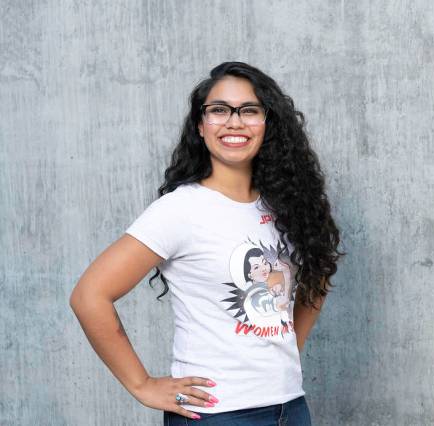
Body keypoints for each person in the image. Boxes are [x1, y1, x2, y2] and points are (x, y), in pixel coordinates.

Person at [69, 61, 344, 425]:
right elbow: (89, 296)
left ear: (268, 124)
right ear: (200, 126)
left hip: (290, 408)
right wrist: (142, 384)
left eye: (249, 110)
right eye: (219, 110)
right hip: (216, 414)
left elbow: (318, 274)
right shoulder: (180, 210)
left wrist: (289, 349)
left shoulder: (288, 204)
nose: (234, 121)